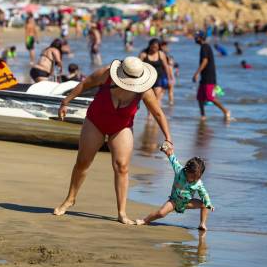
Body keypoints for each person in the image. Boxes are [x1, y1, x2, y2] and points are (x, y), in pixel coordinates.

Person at [54, 56, 173, 224]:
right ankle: (70, 199)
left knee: (122, 167)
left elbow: (158, 113)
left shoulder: (144, 89)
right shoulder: (106, 74)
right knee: (83, 162)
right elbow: (84, 84)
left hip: (121, 127)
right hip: (96, 121)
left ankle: (121, 213)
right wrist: (65, 102)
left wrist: (169, 139)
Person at [136, 142, 213, 230]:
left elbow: (204, 194)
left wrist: (208, 203)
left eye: (196, 178)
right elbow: (173, 159)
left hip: (187, 202)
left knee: (204, 204)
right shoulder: (180, 171)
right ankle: (145, 220)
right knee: (161, 213)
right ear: (186, 170)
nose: (192, 180)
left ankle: (202, 224)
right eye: (190, 176)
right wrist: (167, 151)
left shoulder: (198, 183)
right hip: (174, 201)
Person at [193, 31, 230, 121]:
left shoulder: (205, 47)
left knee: (209, 97)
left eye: (197, 37)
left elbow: (205, 61)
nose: (195, 38)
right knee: (200, 97)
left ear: (201, 38)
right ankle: (203, 116)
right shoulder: (204, 47)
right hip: (205, 76)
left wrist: (197, 73)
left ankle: (226, 111)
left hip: (209, 77)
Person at [139, 38, 173, 103]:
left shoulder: (161, 54)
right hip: (147, 78)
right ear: (149, 46)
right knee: (147, 97)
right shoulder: (143, 55)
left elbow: (166, 66)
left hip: (159, 77)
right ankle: (149, 112)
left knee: (157, 96)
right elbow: (138, 67)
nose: (155, 49)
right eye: (153, 47)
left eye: (157, 47)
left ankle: (154, 111)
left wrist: (169, 78)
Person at [159, 40, 177, 105]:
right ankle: (170, 102)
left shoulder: (163, 54)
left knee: (164, 91)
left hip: (165, 76)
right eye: (165, 46)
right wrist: (171, 77)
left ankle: (168, 102)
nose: (167, 47)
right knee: (165, 90)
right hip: (167, 76)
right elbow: (169, 68)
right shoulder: (164, 56)